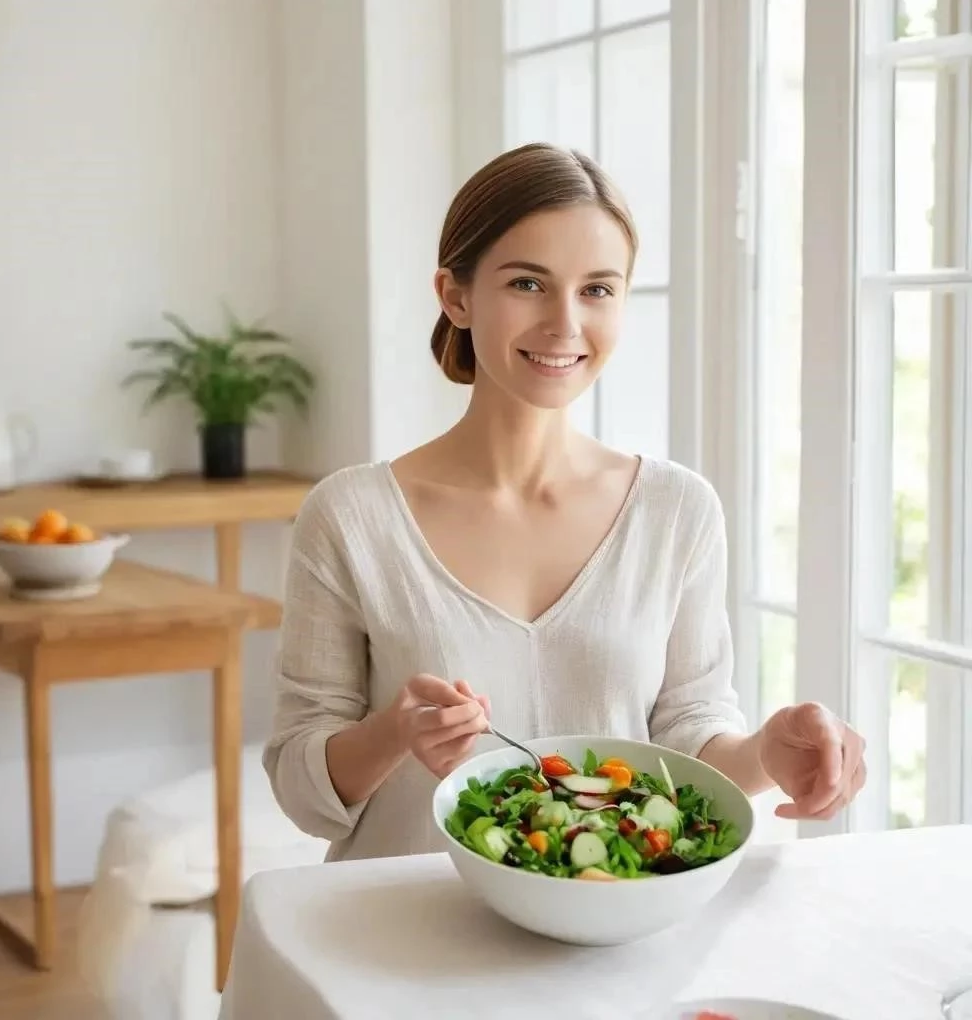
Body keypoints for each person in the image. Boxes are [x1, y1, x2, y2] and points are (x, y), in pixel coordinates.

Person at [262, 142, 867, 862]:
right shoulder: (352, 516)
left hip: (608, 932)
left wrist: (769, 751)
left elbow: (688, 735)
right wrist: (393, 732)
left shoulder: (676, 511)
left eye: (598, 290)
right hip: (407, 940)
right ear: (455, 295)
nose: (565, 324)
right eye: (527, 284)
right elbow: (303, 794)